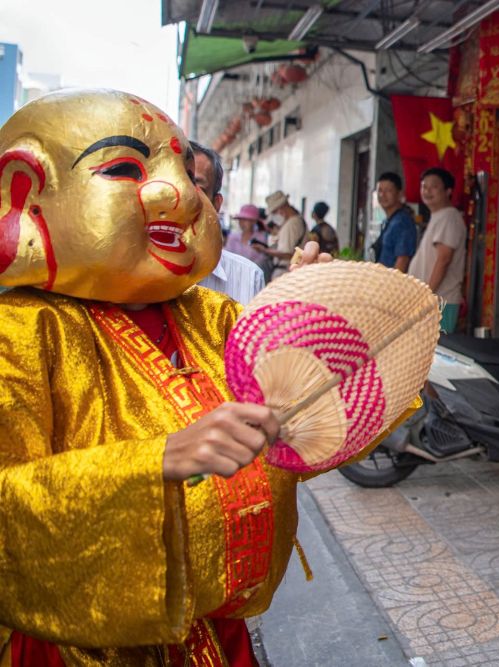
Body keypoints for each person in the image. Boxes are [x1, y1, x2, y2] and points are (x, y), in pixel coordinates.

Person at [0, 89, 307, 665]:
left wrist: (314, 323)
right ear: (27, 192)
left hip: (215, 631)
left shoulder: (212, 315)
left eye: (186, 172)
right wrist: (154, 463)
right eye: (124, 169)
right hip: (79, 649)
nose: (182, 195)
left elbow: (298, 432)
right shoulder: (19, 333)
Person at [190, 141, 265, 304]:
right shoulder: (133, 281)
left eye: (195, 188)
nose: (178, 198)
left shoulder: (249, 279)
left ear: (216, 204)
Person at [409, 168, 466, 333]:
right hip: (431, 301)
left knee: (435, 347)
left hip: (440, 301)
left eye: (433, 187)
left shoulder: (449, 217)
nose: (427, 191)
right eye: (424, 186)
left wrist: (427, 295)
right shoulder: (439, 216)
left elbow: (444, 259)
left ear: (448, 191)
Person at [373, 172, 417, 272]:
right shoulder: (389, 220)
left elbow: (403, 259)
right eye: (380, 190)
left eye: (388, 191)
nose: (382, 195)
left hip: (392, 280)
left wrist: (392, 282)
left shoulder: (402, 222)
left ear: (399, 194)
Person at [259, 190, 307, 280]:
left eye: (274, 212)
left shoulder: (292, 224)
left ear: (281, 209)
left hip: (285, 272)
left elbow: (287, 254)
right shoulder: (293, 221)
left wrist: (264, 250)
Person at [224, 204, 271, 272]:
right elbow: (227, 256)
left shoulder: (260, 237)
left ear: (254, 221)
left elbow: (262, 259)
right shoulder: (233, 237)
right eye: (240, 220)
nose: (242, 223)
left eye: (245, 220)